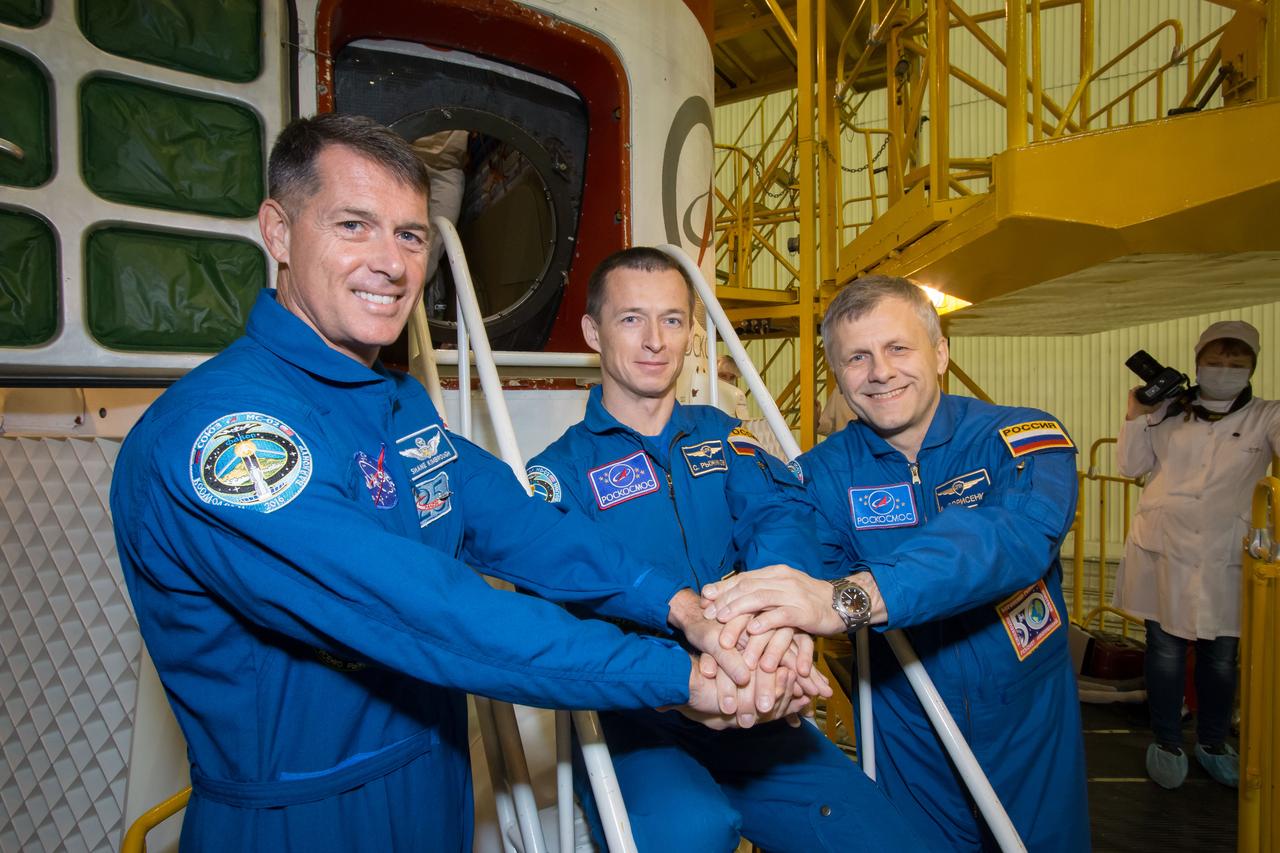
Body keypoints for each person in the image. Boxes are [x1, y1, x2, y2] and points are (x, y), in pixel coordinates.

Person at [108, 114, 807, 853]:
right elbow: (432, 610)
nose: (391, 264)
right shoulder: (225, 434)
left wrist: (678, 606)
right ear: (278, 233)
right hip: (298, 816)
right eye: (354, 225)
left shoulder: (396, 403)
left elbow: (521, 526)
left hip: (432, 782)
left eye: (411, 236)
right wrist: (682, 675)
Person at [527, 250, 924, 852]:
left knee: (884, 839)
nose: (656, 341)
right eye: (632, 319)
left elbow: (781, 513)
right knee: (691, 830)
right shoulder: (559, 471)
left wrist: (783, 630)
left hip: (753, 698)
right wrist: (679, 681)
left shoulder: (720, 433)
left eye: (673, 320)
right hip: (636, 717)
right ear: (592, 332)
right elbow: (561, 605)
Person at [701, 275, 1090, 852]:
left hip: (1026, 713)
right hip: (902, 715)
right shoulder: (821, 476)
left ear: (940, 352)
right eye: (857, 357)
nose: (880, 371)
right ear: (838, 375)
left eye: (898, 348)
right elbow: (794, 560)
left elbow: (1011, 537)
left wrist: (849, 597)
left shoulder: (1019, 438)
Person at [1113, 320, 1277, 789]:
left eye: (1236, 363)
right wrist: (1136, 413)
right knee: (1164, 652)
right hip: (1164, 549)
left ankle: (1211, 742)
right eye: (1215, 362)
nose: (1224, 371)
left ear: (1252, 368)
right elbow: (1131, 467)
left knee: (1221, 656)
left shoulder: (1267, 415)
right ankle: (1166, 741)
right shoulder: (1167, 410)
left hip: (1224, 554)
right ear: (1197, 363)